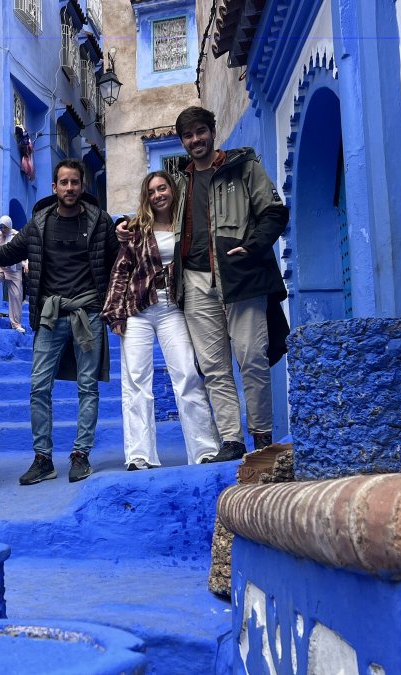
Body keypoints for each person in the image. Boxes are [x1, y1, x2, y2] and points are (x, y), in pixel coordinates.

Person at [172, 106, 289, 462]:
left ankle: (262, 436)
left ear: (212, 131)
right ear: (183, 141)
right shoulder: (180, 180)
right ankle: (232, 440)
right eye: (188, 135)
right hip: (194, 280)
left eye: (200, 132)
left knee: (252, 357)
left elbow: (274, 212)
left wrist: (252, 246)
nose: (196, 140)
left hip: (241, 273)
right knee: (213, 367)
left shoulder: (243, 168)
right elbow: (157, 218)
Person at [0, 158, 118, 484]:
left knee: (87, 387)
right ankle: (43, 458)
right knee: (38, 387)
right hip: (49, 315)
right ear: (54, 187)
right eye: (64, 182)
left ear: (81, 185)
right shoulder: (38, 224)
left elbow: (119, 259)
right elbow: (5, 255)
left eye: (75, 182)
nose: (70, 188)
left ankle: (81, 455)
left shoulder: (100, 221)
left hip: (87, 313)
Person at [103, 172, 223, 469]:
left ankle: (204, 450)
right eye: (152, 190)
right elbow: (121, 270)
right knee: (136, 381)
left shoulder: (186, 224)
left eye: (163, 187)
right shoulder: (136, 228)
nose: (158, 194)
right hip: (138, 309)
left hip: (173, 308)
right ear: (147, 196)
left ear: (172, 189)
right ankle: (139, 455)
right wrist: (115, 312)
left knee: (187, 375)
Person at [0, 215, 26, 332]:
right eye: (1, 227)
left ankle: (16, 324)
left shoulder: (17, 236)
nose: (3, 230)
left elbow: (24, 252)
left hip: (14, 269)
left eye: (5, 227)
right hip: (0, 267)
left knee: (16, 295)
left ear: (10, 226)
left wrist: (25, 264)